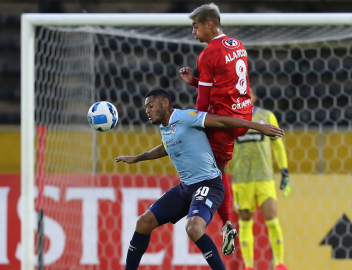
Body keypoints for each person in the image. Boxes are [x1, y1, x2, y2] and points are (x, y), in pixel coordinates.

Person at [116, 89, 284, 270]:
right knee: (143, 223)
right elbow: (164, 148)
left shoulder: (186, 117)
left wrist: (258, 126)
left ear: (165, 103)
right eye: (145, 107)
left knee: (194, 229)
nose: (147, 110)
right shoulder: (165, 128)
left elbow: (221, 120)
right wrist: (137, 158)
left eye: (150, 105)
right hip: (185, 188)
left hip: (209, 184)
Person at [179, 3, 253, 255]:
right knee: (215, 168)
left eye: (196, 26)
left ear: (209, 24)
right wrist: (196, 82)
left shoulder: (208, 54)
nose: (193, 32)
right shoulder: (238, 44)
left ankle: (226, 223)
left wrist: (195, 125)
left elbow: (202, 103)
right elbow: (227, 84)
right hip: (243, 115)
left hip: (224, 122)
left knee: (215, 174)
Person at [231, 88, 291, 270]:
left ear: (254, 97)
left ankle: (279, 263)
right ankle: (249, 266)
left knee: (272, 217)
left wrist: (284, 172)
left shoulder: (267, 116)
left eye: (247, 94)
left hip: (264, 177)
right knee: (245, 220)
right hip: (241, 179)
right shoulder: (231, 120)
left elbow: (278, 146)